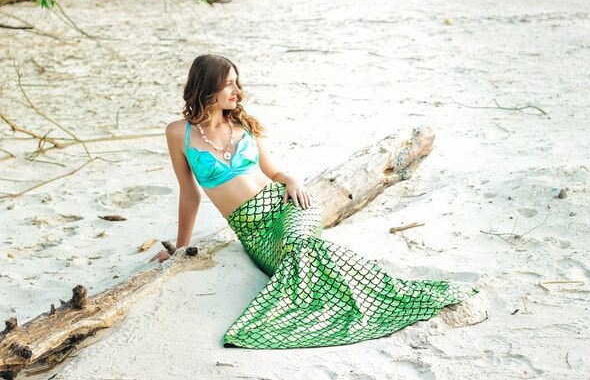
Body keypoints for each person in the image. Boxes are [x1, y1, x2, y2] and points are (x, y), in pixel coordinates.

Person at [149, 54, 479, 349]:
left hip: (289, 205)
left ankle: (391, 296)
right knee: (297, 255)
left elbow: (274, 172)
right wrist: (181, 246)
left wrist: (292, 180)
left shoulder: (244, 125)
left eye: (237, 83)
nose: (237, 91)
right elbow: (189, 193)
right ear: (207, 88)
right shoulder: (179, 132)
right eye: (229, 84)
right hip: (254, 232)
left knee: (300, 243)